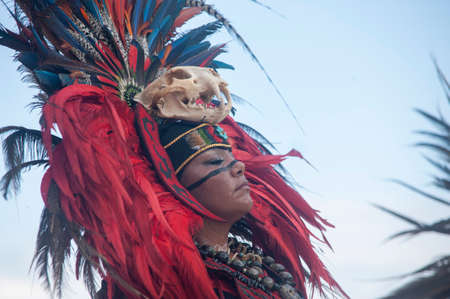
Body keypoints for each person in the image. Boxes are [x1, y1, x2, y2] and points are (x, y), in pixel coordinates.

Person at [0, 1, 348, 298]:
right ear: (174, 185)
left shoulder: (257, 266)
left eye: (232, 159)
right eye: (214, 161)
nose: (239, 168)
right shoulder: (150, 285)